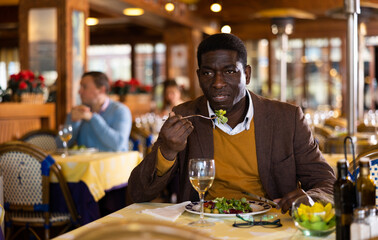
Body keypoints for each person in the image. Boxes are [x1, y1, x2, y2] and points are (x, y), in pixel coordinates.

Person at [128, 33, 335, 213]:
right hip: (204, 226)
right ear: (199, 77)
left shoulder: (286, 119)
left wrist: (312, 198)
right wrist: (167, 151)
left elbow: (327, 183)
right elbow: (138, 192)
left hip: (270, 226)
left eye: (229, 71)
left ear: (246, 74)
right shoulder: (185, 116)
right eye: (208, 73)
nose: (217, 83)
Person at [59, 71, 132, 152]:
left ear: (101, 90)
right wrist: (74, 122)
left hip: (116, 163)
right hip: (85, 163)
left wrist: (92, 117)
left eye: (84, 87)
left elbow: (118, 144)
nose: (79, 92)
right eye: (80, 87)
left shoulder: (120, 111)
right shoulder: (79, 111)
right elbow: (60, 146)